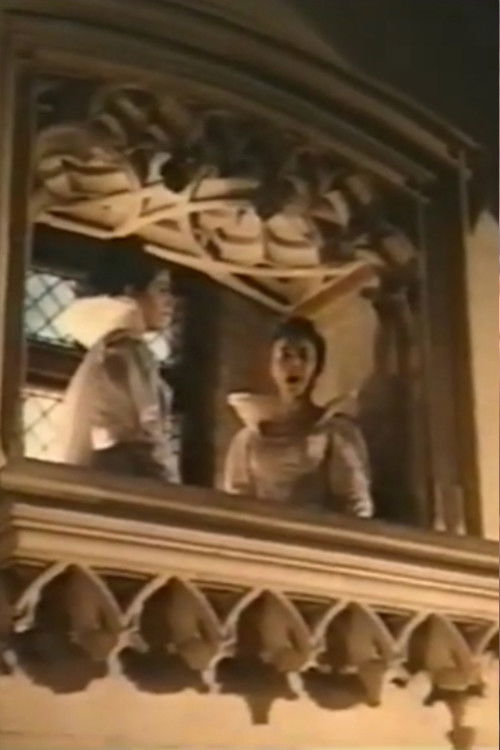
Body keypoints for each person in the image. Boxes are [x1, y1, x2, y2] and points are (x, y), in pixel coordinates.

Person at [223, 317, 373, 517]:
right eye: (285, 355)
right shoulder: (246, 441)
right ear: (272, 366)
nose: (294, 363)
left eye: (304, 356)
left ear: (317, 368)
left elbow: (355, 504)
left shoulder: (335, 432)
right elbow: (236, 505)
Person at [56, 237, 179, 482]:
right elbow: (141, 439)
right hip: (127, 479)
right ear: (131, 292)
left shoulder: (108, 349)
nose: (170, 301)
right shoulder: (126, 350)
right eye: (162, 289)